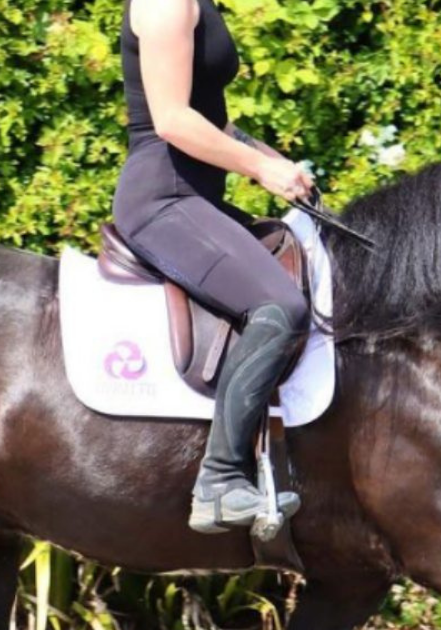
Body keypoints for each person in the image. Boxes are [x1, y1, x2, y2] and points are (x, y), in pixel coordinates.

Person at [112, 0, 314, 534]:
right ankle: (220, 482)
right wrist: (260, 170)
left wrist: (277, 163)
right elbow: (174, 122)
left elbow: (213, 120)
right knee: (279, 306)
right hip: (163, 200)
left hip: (197, 198)